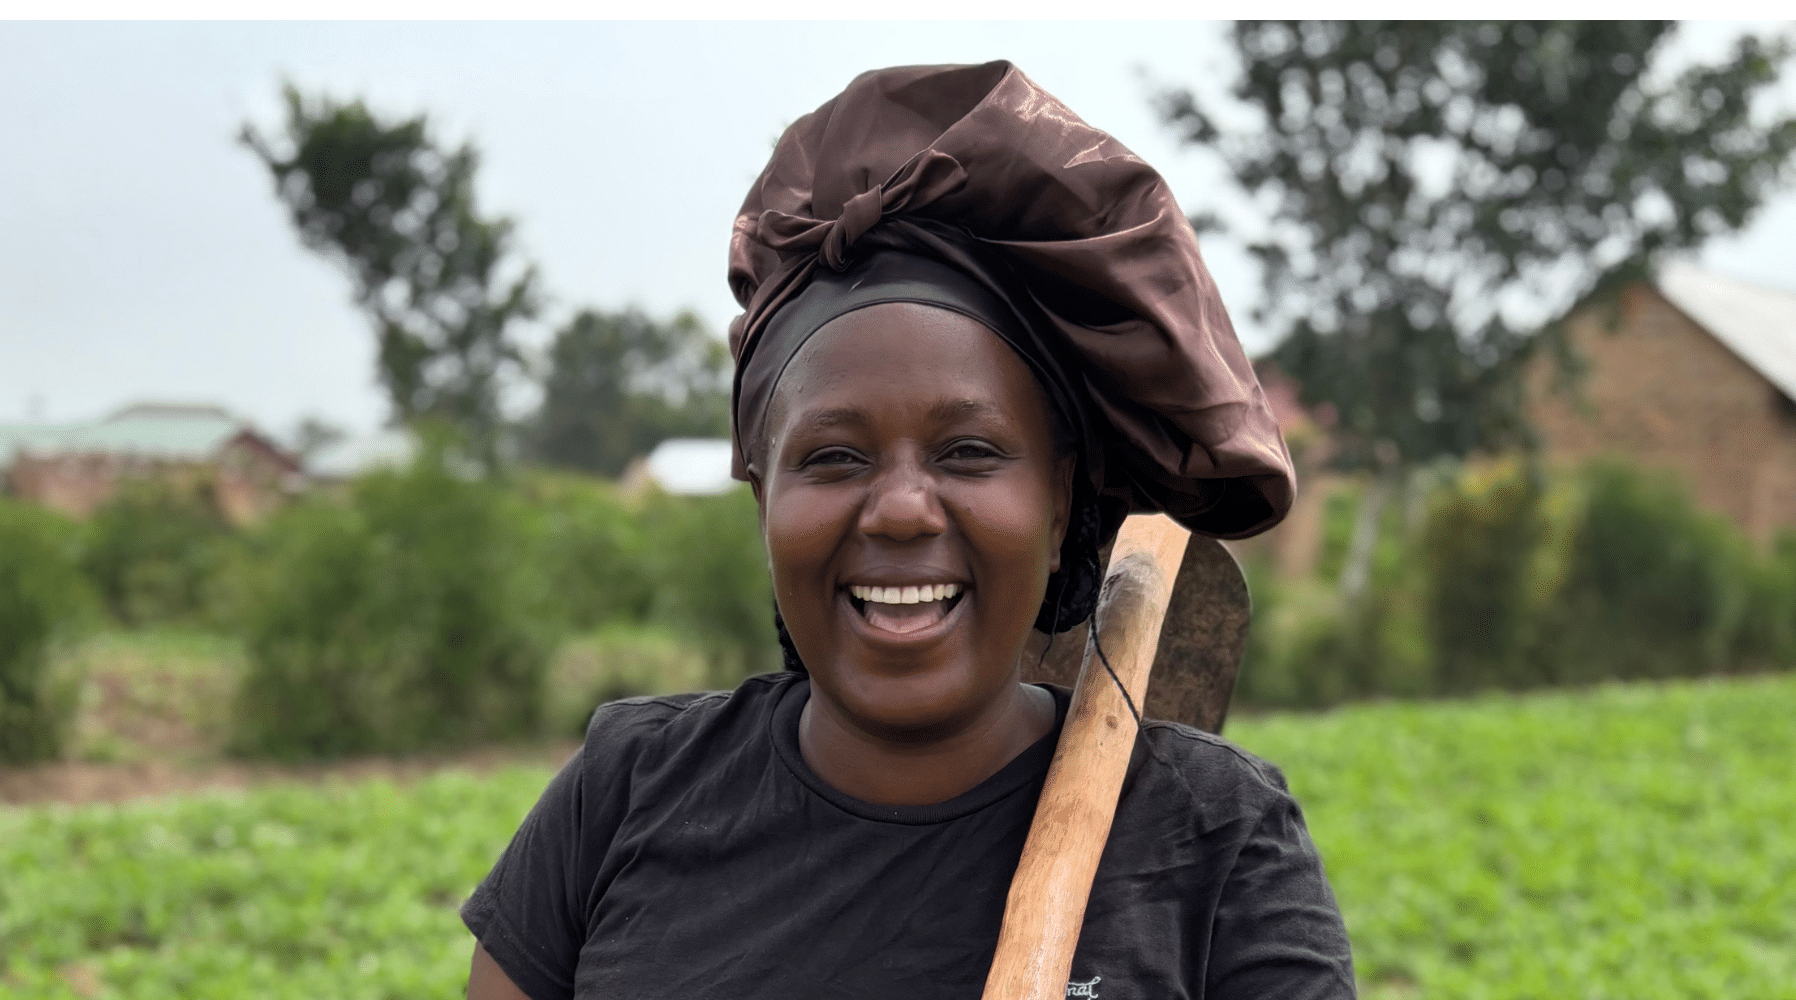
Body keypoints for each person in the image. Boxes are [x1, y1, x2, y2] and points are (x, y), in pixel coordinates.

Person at [463, 61, 1355, 1000]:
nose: (899, 508)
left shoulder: (1216, 842)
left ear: (1059, 504)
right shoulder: (626, 794)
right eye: (833, 458)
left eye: (969, 451)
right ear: (762, 500)